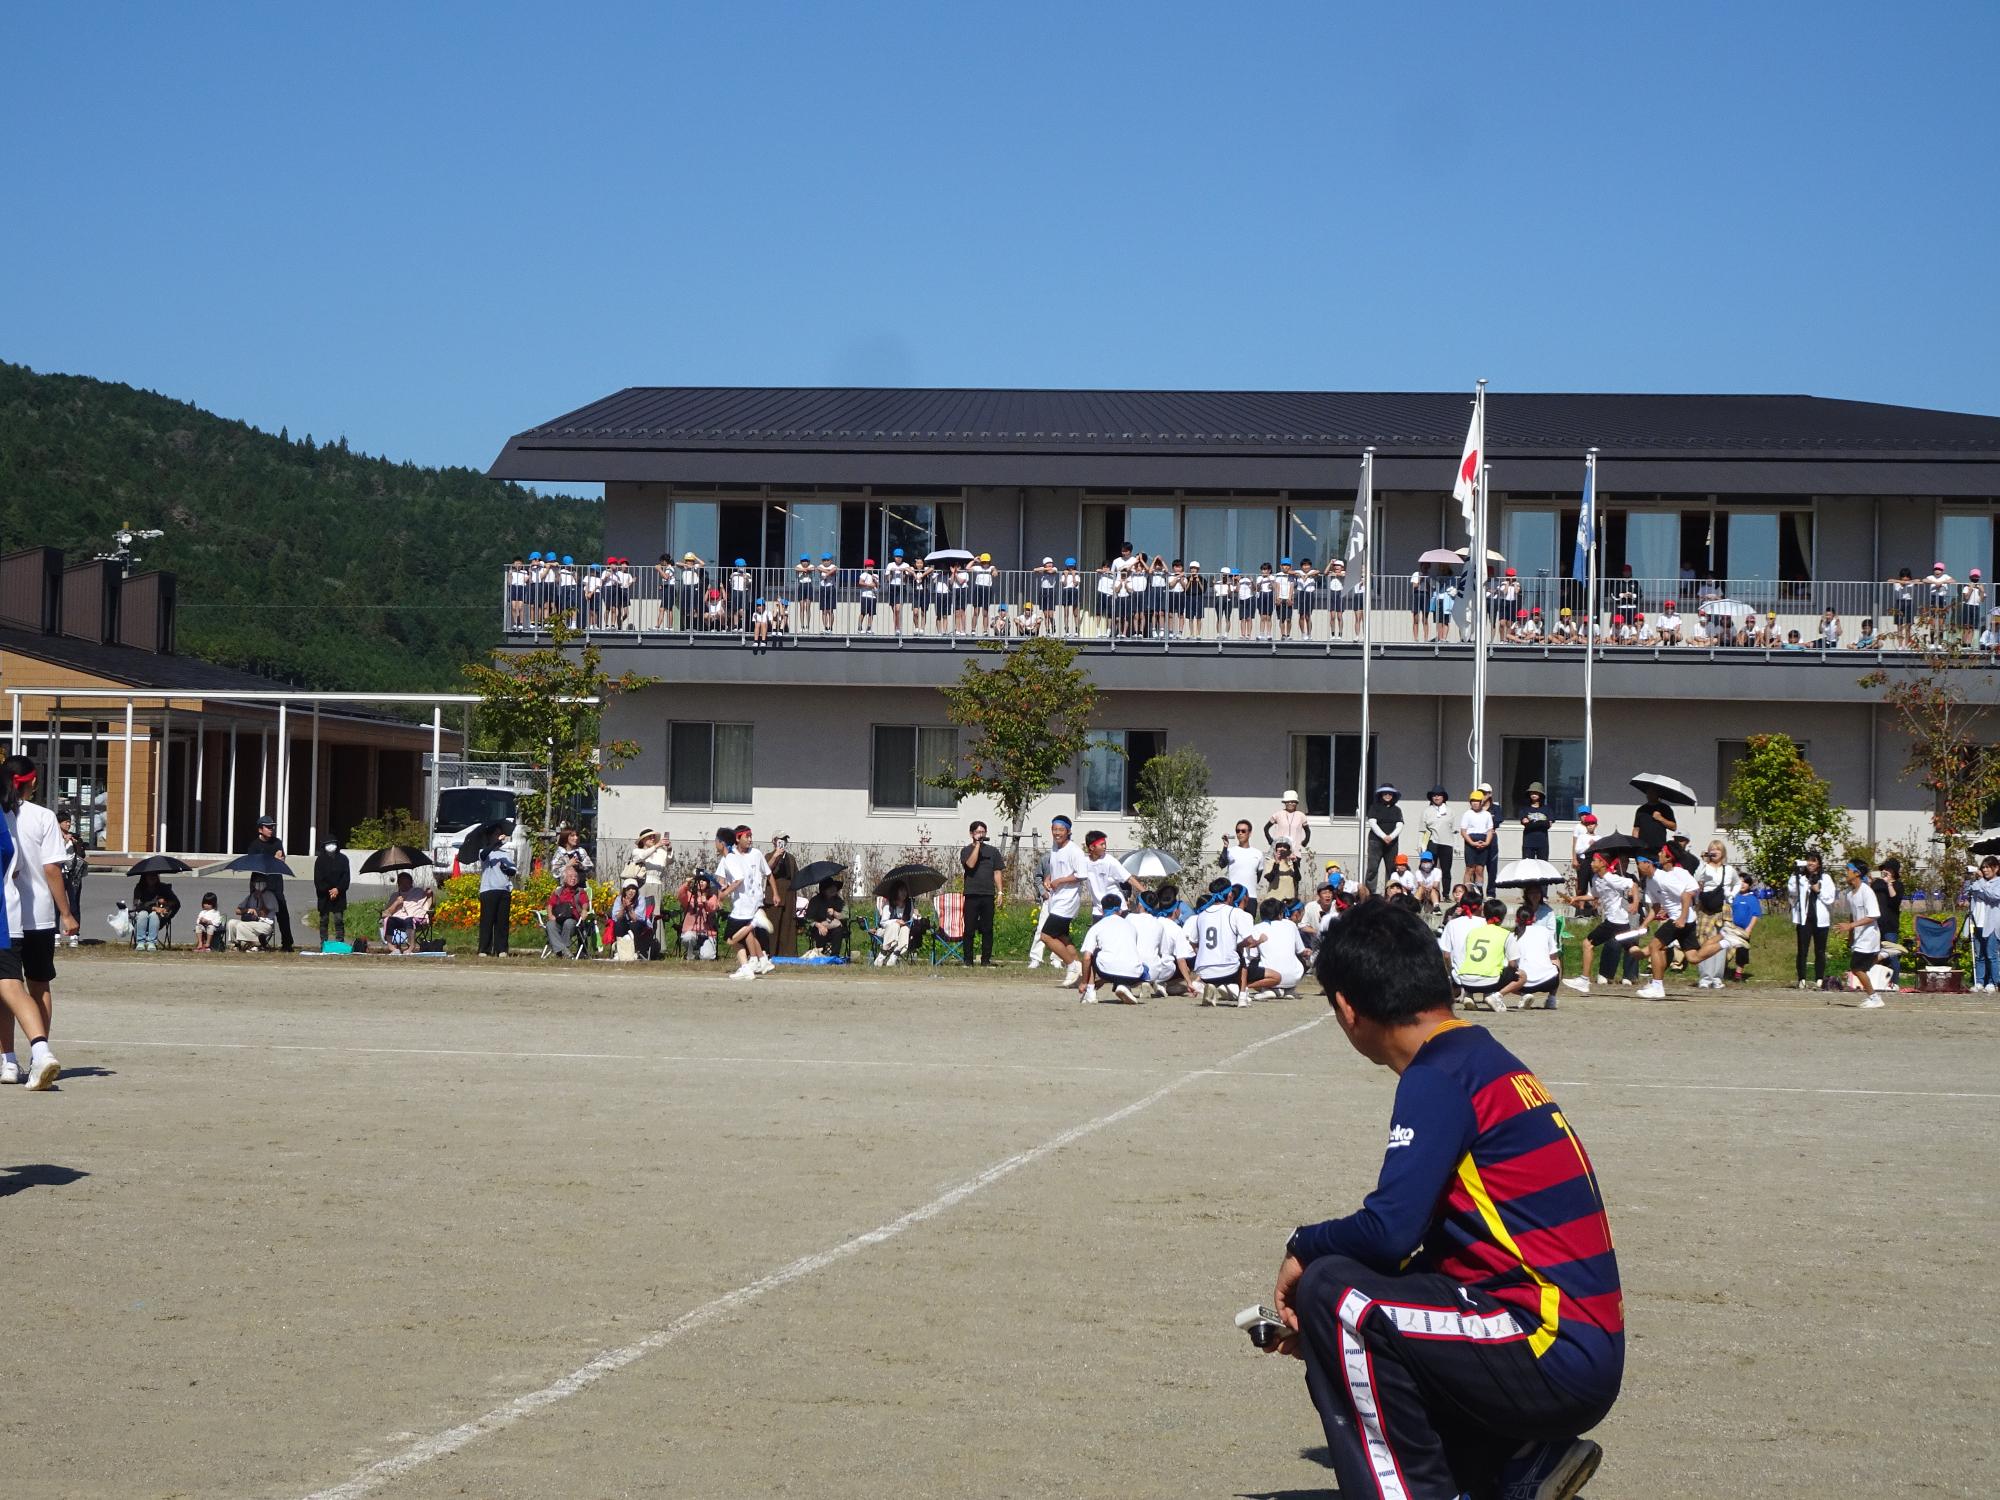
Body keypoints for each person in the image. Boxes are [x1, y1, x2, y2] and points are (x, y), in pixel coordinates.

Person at [1271, 902, 1622, 1500]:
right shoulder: (1479, 1055)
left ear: (1346, 1008)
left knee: (1335, 1293)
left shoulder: (1438, 1076)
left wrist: (1302, 1246)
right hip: (1568, 1339)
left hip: (1548, 1347)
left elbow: (1388, 1230)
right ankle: (1514, 1462)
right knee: (1354, 1295)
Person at [1, 757, 78, 1079]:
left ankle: (7, 1058)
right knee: (38, 985)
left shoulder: (4, 813)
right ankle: (39, 1052)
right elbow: (51, 869)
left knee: (6, 987)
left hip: (7, 914)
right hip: (39, 914)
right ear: (32, 782)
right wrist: (66, 912)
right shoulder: (44, 816)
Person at [0, 798, 63, 1089]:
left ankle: (31, 1054)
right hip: (21, 912)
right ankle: (29, 1053)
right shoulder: (9, 818)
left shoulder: (16, 817)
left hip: (11, 914)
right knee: (17, 985)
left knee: (10, 985)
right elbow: (17, 866)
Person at [1038, 816, 1088, 987]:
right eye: (1054, 829)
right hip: (1056, 898)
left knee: (1046, 936)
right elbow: (1054, 870)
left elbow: (1081, 875)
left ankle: (1072, 965)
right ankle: (1080, 970)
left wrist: (1060, 881)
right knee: (1062, 937)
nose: (1057, 833)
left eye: (1060, 830)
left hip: (1068, 900)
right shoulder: (1055, 848)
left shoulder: (1075, 851)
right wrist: (1049, 878)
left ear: (1068, 831)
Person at [718, 824, 771, 980]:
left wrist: (725, 893)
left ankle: (754, 923)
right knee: (736, 939)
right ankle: (747, 966)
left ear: (721, 842)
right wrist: (723, 888)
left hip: (741, 905)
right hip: (744, 903)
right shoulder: (732, 857)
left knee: (731, 939)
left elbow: (739, 879)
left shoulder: (730, 858)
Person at [1077, 893, 1148, 1004]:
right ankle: (1124, 986)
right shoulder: (1131, 926)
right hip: (1135, 975)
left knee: (1092, 952)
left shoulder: (1097, 927)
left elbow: (1086, 958)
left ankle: (1090, 992)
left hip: (1107, 972)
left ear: (1102, 910)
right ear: (1120, 910)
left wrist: (1083, 982)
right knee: (1126, 954)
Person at [1834, 859, 1885, 1006]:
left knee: (1856, 968)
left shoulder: (1867, 891)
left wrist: (1850, 926)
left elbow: (1874, 915)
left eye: (1848, 870)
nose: (1846, 872)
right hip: (1859, 937)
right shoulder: (1850, 894)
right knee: (1862, 967)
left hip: (1869, 937)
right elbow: (1853, 915)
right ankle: (1884, 954)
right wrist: (1850, 936)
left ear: (1857, 873)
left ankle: (1874, 998)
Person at [958, 820, 1006, 966]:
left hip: (988, 894)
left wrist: (1000, 892)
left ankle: (985, 960)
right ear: (972, 834)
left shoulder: (993, 851)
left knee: (987, 928)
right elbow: (970, 865)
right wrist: (977, 845)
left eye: (983, 832)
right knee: (969, 929)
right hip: (972, 893)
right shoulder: (966, 850)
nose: (981, 834)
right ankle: (968, 960)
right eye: (978, 832)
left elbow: (997, 871)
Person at [1498, 902, 1564, 1008]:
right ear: (1534, 918)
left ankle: (1524, 995)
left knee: (1505, 970)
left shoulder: (1512, 935)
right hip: (1549, 981)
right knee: (1556, 960)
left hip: (1523, 984)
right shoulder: (1545, 931)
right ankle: (1552, 998)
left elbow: (1510, 963)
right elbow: (1554, 957)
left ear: (1516, 919)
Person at [246, 812, 294, 950]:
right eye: (268, 827)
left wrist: (278, 858)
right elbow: (254, 863)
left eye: (272, 827)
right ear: (260, 829)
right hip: (259, 885)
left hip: (275, 884)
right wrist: (272, 859)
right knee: (261, 915)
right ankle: (258, 943)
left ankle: (287, 943)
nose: (271, 829)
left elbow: (281, 859)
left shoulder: (277, 842)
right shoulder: (254, 845)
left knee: (282, 914)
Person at [1243, 896, 1309, 997]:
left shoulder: (1257, 927)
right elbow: (1301, 951)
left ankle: (1266, 989)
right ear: (1280, 914)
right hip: (1292, 978)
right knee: (1301, 958)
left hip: (1270, 976)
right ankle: (1288, 990)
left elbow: (1252, 955)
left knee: (1253, 962)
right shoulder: (1291, 925)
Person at [1789, 850, 1835, 990]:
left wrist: (1818, 890)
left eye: (1814, 860)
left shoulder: (1826, 878)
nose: (1810, 863)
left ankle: (1819, 978)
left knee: (1820, 951)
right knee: (1802, 950)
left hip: (1821, 920)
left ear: (1819, 863)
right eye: (1808, 860)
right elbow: (1792, 893)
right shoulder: (1799, 877)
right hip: (1804, 919)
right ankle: (1802, 978)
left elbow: (1830, 898)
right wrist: (1796, 876)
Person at [477, 837, 518, 957]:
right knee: (487, 920)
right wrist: (495, 842)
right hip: (488, 889)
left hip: (504, 889)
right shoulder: (484, 851)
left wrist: (506, 869)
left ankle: (501, 949)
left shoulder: (506, 854)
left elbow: (513, 871)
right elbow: (483, 855)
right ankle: (484, 949)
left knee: (502, 921)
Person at [1966, 854, 2000, 993]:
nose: (1985, 870)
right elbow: (1969, 892)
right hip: (1977, 922)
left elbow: (1994, 896)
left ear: (1996, 868)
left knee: (1991, 954)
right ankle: (1980, 981)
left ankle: (1993, 982)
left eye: (1988, 867)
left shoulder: (1998, 882)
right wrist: (1970, 881)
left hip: (1991, 923)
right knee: (1979, 954)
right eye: (1983, 867)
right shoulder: (1980, 882)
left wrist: (1981, 881)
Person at [763, 833, 798, 958]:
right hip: (773, 894)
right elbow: (766, 870)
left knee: (787, 925)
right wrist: (776, 856)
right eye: (780, 840)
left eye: (784, 840)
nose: (783, 842)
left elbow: (796, 876)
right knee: (773, 924)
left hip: (788, 894)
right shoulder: (768, 856)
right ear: (774, 841)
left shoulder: (791, 858)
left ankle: (788, 953)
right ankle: (770, 952)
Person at [1363, 784, 1402, 888]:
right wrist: (1384, 836)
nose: (1388, 795)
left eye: (1390, 793)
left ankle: (1390, 893)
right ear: (1381, 795)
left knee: (1391, 869)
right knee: (1373, 868)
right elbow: (1372, 823)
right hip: (1375, 842)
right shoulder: (1374, 808)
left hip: (1392, 843)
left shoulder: (1397, 810)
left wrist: (1391, 837)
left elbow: (1400, 825)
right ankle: (1370, 894)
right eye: (1385, 793)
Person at [1726, 871, 1762, 983]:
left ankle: (1738, 974)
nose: (1742, 884)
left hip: (1743, 930)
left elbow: (1755, 914)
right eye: (1740, 882)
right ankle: (1722, 970)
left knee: (1742, 952)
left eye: (1745, 882)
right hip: (1731, 927)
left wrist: (1749, 928)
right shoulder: (1733, 897)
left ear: (1749, 884)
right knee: (1726, 949)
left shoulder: (1752, 899)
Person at [56, 810, 86, 947]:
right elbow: (52, 854)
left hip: (73, 874)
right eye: (65, 822)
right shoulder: (54, 837)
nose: (68, 824)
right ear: (59, 823)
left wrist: (76, 844)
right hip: (58, 874)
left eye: (69, 822)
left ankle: (74, 935)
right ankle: (55, 934)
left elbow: (82, 855)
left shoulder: (75, 837)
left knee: (74, 904)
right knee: (56, 905)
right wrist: (63, 841)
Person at [1416, 785, 1454, 890]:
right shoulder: (1426, 811)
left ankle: (1446, 893)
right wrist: (1420, 845)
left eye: (1439, 795)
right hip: (1432, 842)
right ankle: (1430, 890)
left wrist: (1457, 845)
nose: (1436, 797)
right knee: (1429, 867)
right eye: (1434, 795)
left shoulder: (1450, 811)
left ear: (1443, 797)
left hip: (1447, 843)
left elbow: (1453, 829)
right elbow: (1422, 830)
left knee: (1446, 869)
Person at [624, 829, 673, 912]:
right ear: (643, 839)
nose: (653, 839)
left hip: (657, 883)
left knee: (656, 911)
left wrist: (669, 849)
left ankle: (655, 925)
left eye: (654, 837)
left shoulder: (661, 852)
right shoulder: (637, 851)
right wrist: (657, 846)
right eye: (650, 837)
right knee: (641, 910)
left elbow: (670, 861)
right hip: (642, 884)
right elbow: (641, 856)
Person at [314, 839, 351, 947]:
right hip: (324, 895)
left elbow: (346, 877)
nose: (331, 846)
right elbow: (318, 879)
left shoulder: (343, 859)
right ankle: (324, 943)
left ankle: (340, 942)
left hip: (339, 895)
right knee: (324, 920)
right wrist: (328, 890)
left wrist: (338, 889)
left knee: (339, 919)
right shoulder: (320, 860)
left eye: (333, 843)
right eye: (328, 844)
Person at [227, 875, 280, 950]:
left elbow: (264, 914)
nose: (258, 884)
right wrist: (249, 910)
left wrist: (261, 898)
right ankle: (236, 944)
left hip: (265, 924)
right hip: (251, 922)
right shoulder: (251, 896)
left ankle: (255, 944)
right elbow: (237, 911)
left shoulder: (270, 896)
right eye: (257, 882)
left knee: (241, 925)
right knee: (231, 923)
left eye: (261, 882)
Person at [383, 872, 433, 952]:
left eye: (407, 882)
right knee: (389, 920)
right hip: (399, 920)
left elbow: (430, 904)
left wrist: (430, 895)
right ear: (398, 884)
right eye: (402, 882)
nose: (404, 885)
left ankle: (411, 947)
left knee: (409, 919)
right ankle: (391, 947)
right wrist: (396, 903)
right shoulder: (395, 895)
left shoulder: (418, 892)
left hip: (416, 919)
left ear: (411, 883)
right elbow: (386, 913)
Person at [130, 871, 181, 949]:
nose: (152, 878)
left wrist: (166, 906)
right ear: (145, 877)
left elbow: (176, 903)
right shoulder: (139, 888)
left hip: (159, 918)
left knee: (154, 915)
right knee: (143, 914)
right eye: (150, 875)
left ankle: (152, 943)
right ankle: (140, 942)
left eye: (155, 875)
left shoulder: (164, 888)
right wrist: (153, 908)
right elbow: (136, 907)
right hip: (142, 915)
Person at [608, 878, 656, 960]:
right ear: (624, 890)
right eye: (628, 889)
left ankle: (634, 951)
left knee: (634, 925)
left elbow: (636, 919)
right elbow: (616, 918)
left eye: (633, 889)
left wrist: (629, 908)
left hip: (639, 924)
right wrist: (623, 907)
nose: (631, 891)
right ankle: (619, 950)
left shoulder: (640, 899)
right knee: (618, 924)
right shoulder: (619, 899)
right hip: (624, 923)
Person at [1459, 788, 1496, 891]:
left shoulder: (1487, 814)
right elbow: (1463, 831)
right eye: (1473, 801)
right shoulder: (1467, 814)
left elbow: (1490, 830)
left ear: (1481, 802)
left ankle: (1479, 891)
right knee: (1470, 869)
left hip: (1483, 841)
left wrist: (1487, 842)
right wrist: (1472, 842)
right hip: (1470, 841)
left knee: (1480, 869)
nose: (1475, 803)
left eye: (1477, 801)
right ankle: (1466, 891)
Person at [677, 872, 721, 959]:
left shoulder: (712, 897)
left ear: (708, 883)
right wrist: (687, 884)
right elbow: (680, 895)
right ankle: (691, 954)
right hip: (691, 930)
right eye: (699, 880)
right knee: (688, 938)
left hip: (707, 932)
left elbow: (712, 908)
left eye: (704, 881)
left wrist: (705, 902)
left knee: (707, 957)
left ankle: (700, 952)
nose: (701, 882)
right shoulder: (690, 896)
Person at [804, 877, 849, 956]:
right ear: (824, 890)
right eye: (830, 888)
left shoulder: (840, 902)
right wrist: (819, 925)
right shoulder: (815, 901)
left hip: (836, 929)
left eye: (834, 887)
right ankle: (820, 953)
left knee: (838, 930)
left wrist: (835, 913)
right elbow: (809, 918)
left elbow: (846, 915)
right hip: (819, 927)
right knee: (821, 931)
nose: (833, 889)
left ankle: (834, 956)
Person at [1220, 819, 1264, 893]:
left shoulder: (1258, 853)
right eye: (1238, 831)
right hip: (1233, 896)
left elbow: (1258, 877)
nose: (1240, 833)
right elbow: (1221, 864)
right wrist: (1225, 846)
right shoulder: (1230, 851)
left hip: (1251, 896)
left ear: (1249, 833)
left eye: (1243, 831)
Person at [1518, 782, 1551, 862]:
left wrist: (1532, 823)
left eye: (1536, 793)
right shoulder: (1525, 809)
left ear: (1540, 794)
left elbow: (1548, 824)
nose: (1533, 794)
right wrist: (1541, 823)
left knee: (1543, 866)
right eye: (1532, 793)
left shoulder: (1546, 809)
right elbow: (1525, 822)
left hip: (1542, 843)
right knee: (1528, 866)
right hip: (1528, 842)